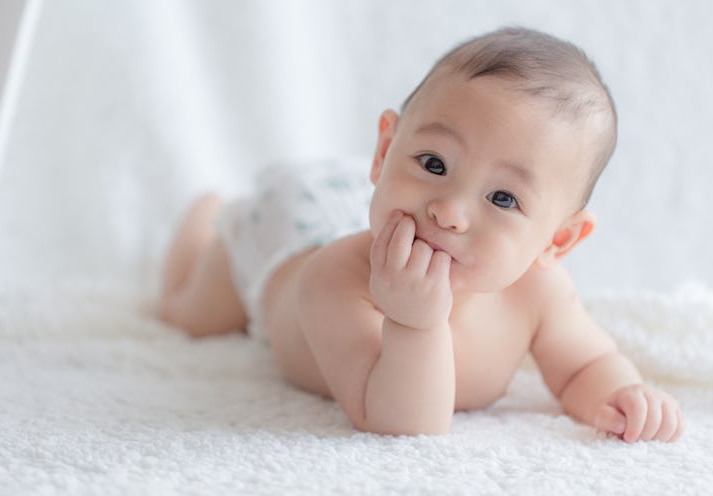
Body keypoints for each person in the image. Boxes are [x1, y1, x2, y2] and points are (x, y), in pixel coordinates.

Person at [159, 27, 684, 442]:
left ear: (558, 241)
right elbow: (401, 423)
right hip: (276, 244)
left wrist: (621, 395)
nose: (449, 211)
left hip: (328, 218)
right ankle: (203, 223)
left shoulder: (539, 294)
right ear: (386, 152)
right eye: (433, 162)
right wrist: (412, 324)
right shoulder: (338, 281)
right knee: (191, 317)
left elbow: (584, 365)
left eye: (503, 199)